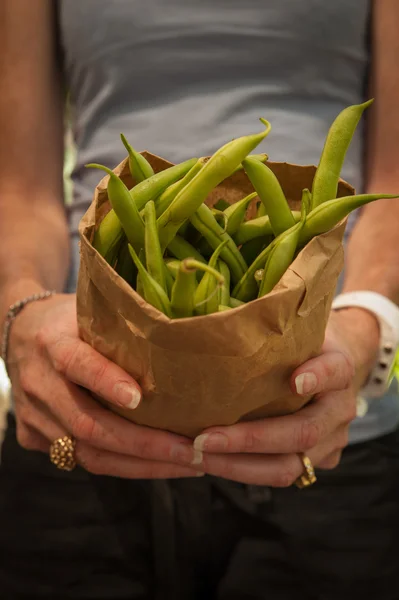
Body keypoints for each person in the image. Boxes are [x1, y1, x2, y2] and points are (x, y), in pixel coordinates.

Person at [1, 1, 399, 598]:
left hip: (320, 427)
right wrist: (19, 314)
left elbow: (393, 181)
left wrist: (370, 330)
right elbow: (19, 187)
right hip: (83, 409)